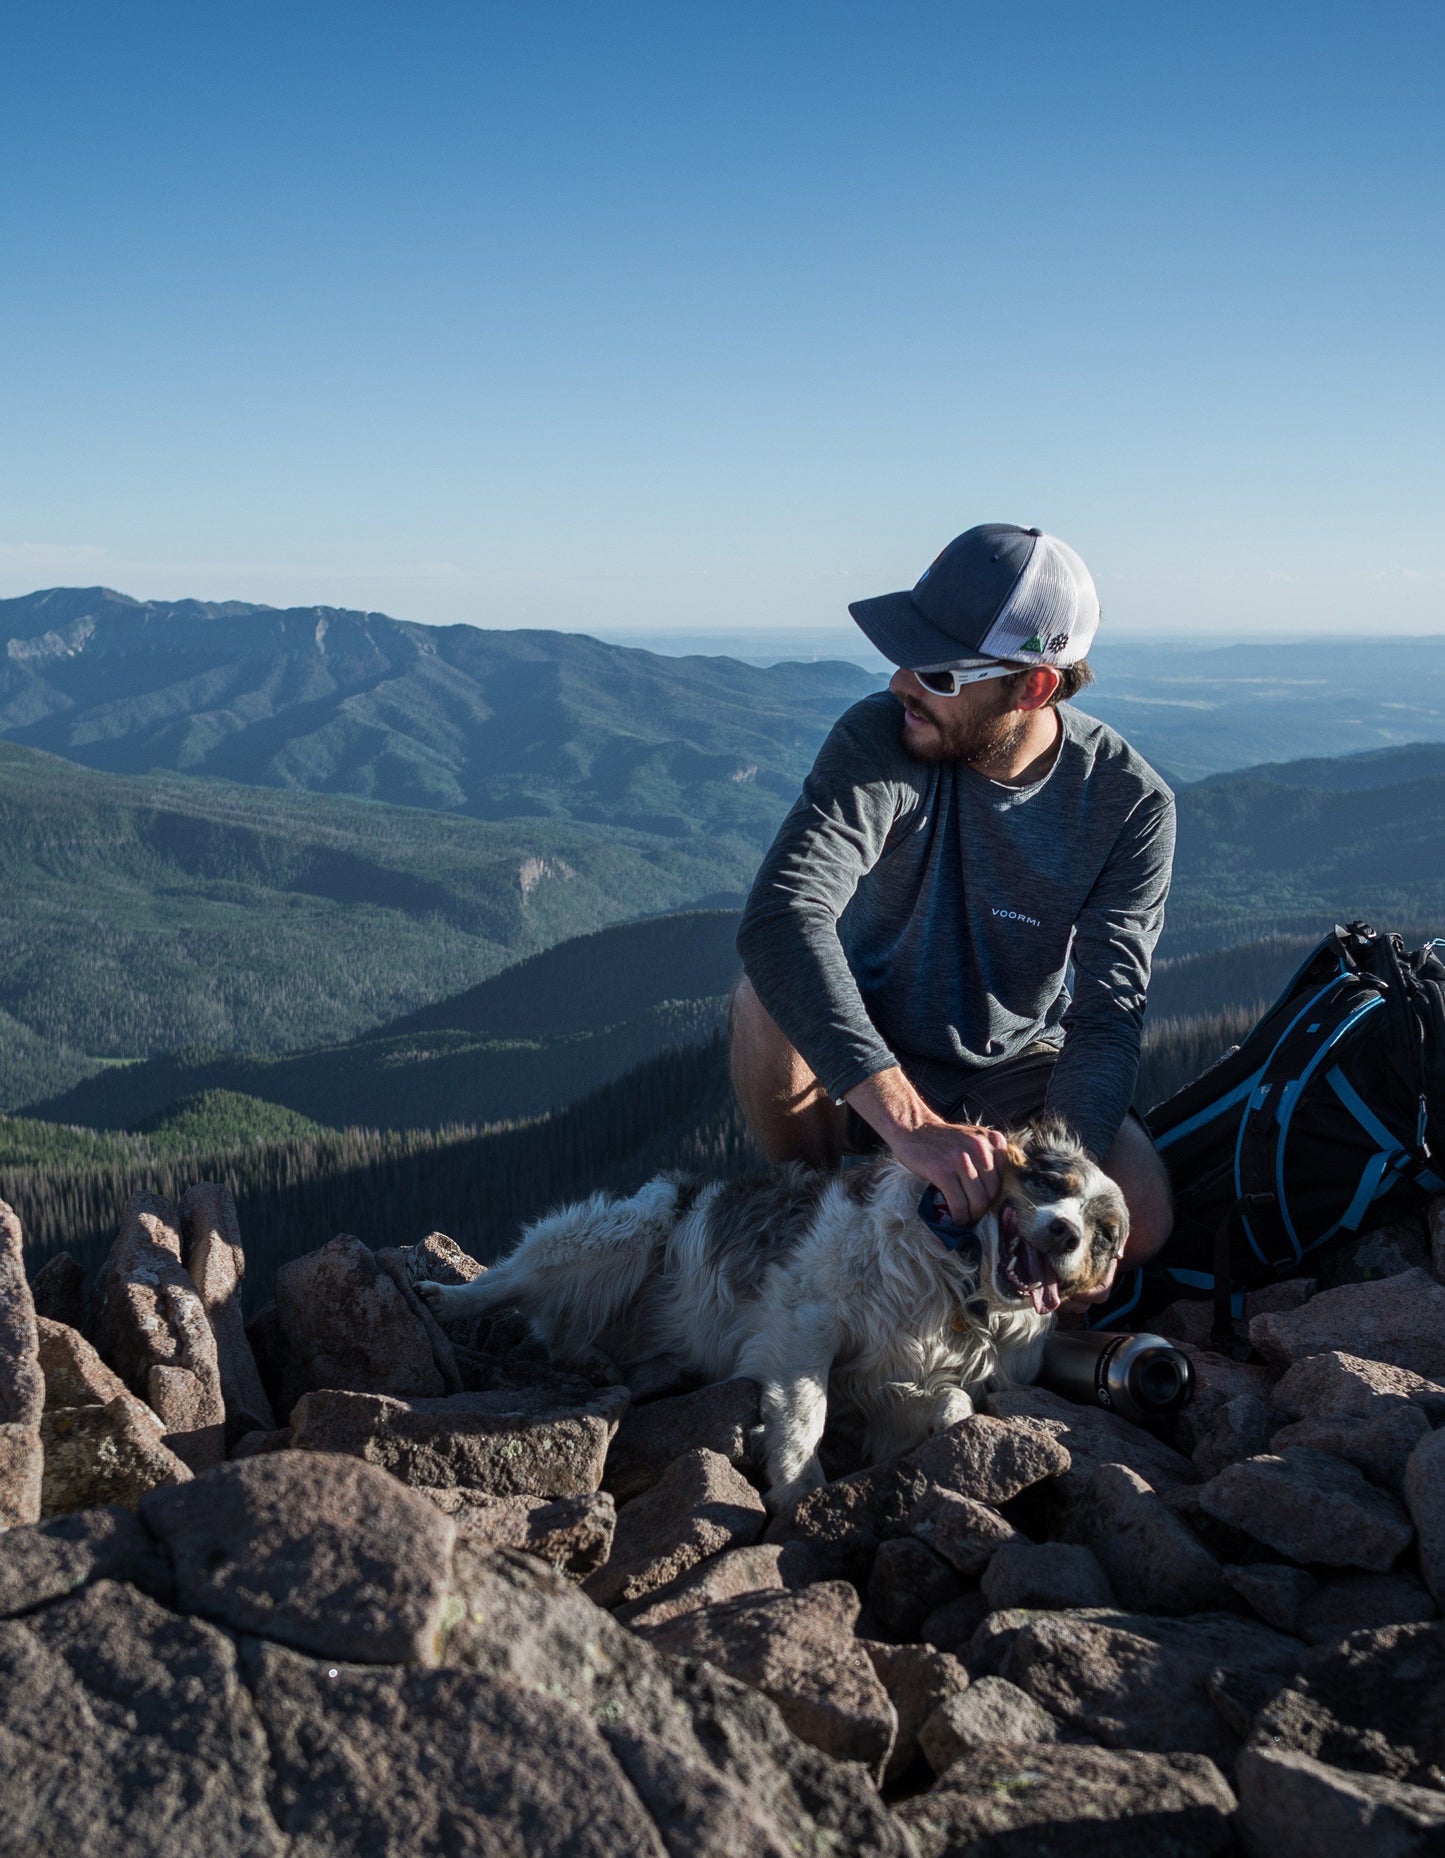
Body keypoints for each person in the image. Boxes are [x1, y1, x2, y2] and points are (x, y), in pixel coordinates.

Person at [731, 522, 1176, 1305]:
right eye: (903, 655)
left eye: (936, 671)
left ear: (1032, 685)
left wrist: (1056, 1189)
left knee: (1137, 1224)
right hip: (858, 1051)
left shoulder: (1127, 803)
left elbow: (1106, 1014)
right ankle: (811, 1217)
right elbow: (782, 914)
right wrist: (908, 1126)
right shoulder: (882, 737)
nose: (901, 682)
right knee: (764, 996)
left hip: (1008, 1064)